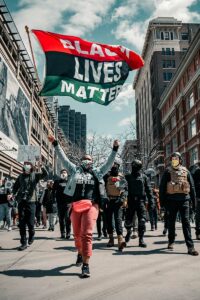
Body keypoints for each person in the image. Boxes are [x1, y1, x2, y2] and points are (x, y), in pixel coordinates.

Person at [48, 135, 119, 278]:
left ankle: (86, 265)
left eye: (89, 159)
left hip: (91, 205)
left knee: (86, 234)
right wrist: (55, 143)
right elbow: (63, 159)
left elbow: (109, 162)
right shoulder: (74, 170)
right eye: (84, 158)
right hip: (75, 205)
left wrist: (115, 149)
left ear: (92, 162)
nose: (86, 160)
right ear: (81, 161)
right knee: (77, 235)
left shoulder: (97, 172)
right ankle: (79, 253)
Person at [159, 152, 198, 256]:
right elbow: (162, 188)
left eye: (176, 158)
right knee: (171, 222)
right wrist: (162, 203)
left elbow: (192, 188)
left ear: (180, 160)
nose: (174, 160)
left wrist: (194, 204)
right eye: (173, 159)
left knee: (186, 222)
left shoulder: (186, 171)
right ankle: (171, 241)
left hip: (184, 200)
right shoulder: (167, 172)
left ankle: (190, 247)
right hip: (171, 201)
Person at [12, 161, 48, 251]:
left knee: (31, 223)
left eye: (29, 166)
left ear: (31, 168)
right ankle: (23, 242)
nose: (27, 168)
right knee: (22, 223)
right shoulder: (20, 176)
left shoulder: (35, 175)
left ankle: (32, 234)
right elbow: (15, 187)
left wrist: (42, 166)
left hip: (31, 202)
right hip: (21, 201)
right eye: (25, 166)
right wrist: (12, 193)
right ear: (23, 168)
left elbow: (45, 174)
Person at [124, 159, 153, 248]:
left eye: (136, 166)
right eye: (134, 166)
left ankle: (141, 239)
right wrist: (123, 199)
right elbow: (124, 188)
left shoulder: (144, 177)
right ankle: (129, 231)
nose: (135, 168)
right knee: (128, 222)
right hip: (131, 201)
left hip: (141, 201)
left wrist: (151, 201)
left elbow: (148, 190)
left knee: (142, 221)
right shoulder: (128, 177)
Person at [104, 161, 127, 251]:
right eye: (112, 165)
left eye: (116, 165)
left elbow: (125, 189)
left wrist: (122, 198)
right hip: (108, 201)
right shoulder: (106, 176)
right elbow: (102, 188)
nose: (114, 166)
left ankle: (120, 240)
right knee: (109, 220)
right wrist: (104, 199)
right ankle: (111, 239)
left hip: (118, 200)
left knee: (118, 220)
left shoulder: (121, 177)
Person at [53, 169, 72, 239]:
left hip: (68, 203)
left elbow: (72, 192)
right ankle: (62, 233)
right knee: (61, 219)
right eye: (62, 173)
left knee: (67, 218)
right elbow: (53, 191)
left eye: (65, 172)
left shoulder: (69, 182)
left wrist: (71, 201)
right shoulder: (57, 182)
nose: (63, 174)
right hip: (59, 203)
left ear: (67, 174)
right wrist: (54, 201)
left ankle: (68, 232)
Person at [190, 162, 200, 240]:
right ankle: (198, 232)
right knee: (198, 215)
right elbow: (193, 185)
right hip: (198, 197)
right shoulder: (197, 172)